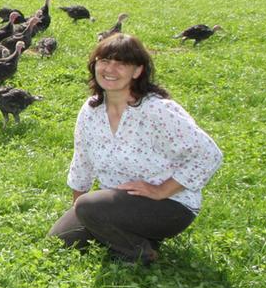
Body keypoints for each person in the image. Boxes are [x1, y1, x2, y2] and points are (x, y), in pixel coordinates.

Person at [49, 33, 222, 264]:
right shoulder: (91, 110)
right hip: (115, 202)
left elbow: (209, 154)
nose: (111, 69)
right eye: (104, 61)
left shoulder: (157, 110)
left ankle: (140, 252)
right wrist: (79, 210)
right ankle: (129, 231)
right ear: (95, 66)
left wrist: (162, 190)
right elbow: (82, 160)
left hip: (169, 204)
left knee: (90, 207)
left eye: (121, 63)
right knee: (60, 240)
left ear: (137, 71)